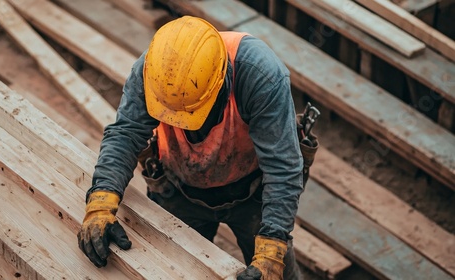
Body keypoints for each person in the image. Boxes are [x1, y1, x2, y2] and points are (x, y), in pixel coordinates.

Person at [78, 15, 306, 280]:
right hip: (178, 189)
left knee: (278, 274)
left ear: (222, 83)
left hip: (253, 193)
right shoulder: (154, 70)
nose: (185, 128)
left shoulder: (260, 74)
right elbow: (126, 133)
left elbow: (282, 165)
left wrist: (272, 248)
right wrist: (101, 203)